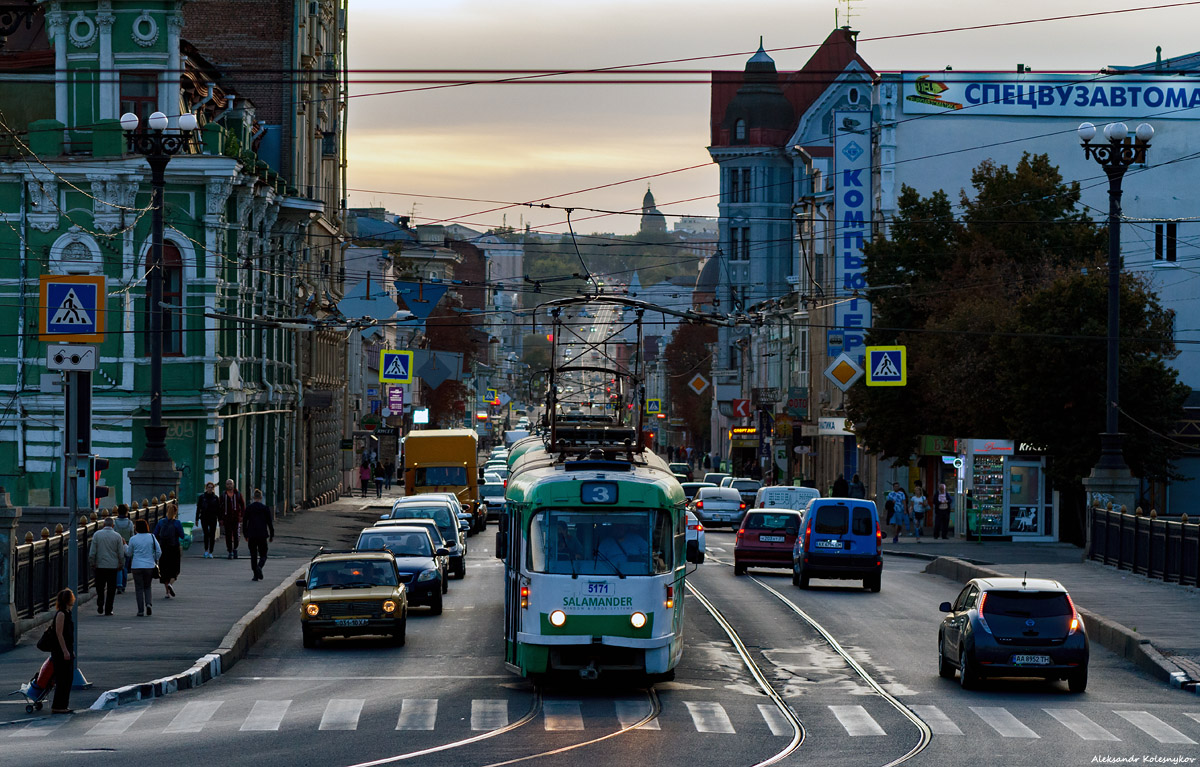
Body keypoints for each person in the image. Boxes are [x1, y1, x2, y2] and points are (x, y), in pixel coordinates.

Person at [87, 518, 125, 616]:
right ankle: (109, 609)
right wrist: (121, 563)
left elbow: (92, 552)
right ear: (113, 526)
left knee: (100, 587)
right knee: (111, 588)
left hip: (100, 565)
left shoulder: (97, 535)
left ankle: (100, 602)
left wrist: (92, 562)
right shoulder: (117, 536)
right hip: (112, 566)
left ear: (103, 525)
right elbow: (121, 553)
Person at [125, 519, 160, 617]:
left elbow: (128, 553)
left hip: (136, 566)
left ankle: (140, 610)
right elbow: (159, 551)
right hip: (149, 565)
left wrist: (124, 545)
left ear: (136, 528)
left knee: (139, 588)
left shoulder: (133, 539)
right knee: (148, 586)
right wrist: (154, 559)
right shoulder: (152, 537)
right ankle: (148, 604)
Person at [49, 588, 75, 714]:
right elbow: (59, 634)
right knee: (62, 679)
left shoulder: (67, 613)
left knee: (67, 678)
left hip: (66, 649)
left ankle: (63, 705)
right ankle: (58, 705)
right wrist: (65, 651)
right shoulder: (61, 614)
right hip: (60, 651)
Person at [243, 489, 275, 581]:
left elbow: (245, 521)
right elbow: (269, 522)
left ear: (253, 497)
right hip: (262, 534)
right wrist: (271, 534)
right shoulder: (265, 508)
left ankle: (255, 575)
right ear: (261, 497)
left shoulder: (249, 508)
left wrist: (245, 534)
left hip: (252, 535)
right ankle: (259, 566)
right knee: (263, 554)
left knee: (253, 554)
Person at [154, 506, 185, 598]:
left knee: (164, 570)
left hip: (163, 548)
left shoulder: (161, 522)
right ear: (175, 512)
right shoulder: (177, 523)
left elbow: (155, 534)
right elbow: (182, 536)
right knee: (175, 569)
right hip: (174, 548)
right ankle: (171, 584)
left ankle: (167, 592)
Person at [112, 505, 134, 594]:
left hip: (117, 546)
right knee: (125, 566)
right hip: (126, 545)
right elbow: (132, 535)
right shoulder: (130, 523)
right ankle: (123, 585)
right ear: (126, 512)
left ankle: (118, 584)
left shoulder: (115, 522)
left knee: (117, 566)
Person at [197, 481, 222, 559]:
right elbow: (198, 508)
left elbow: (218, 509)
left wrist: (219, 519)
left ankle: (211, 551)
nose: (210, 489)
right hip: (204, 517)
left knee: (212, 535)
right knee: (206, 534)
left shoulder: (215, 498)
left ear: (213, 489)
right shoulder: (202, 497)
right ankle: (206, 550)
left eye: (212, 487)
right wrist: (196, 519)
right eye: (209, 487)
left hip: (213, 517)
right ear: (206, 488)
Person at [221, 479, 245, 559]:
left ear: (233, 484)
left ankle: (235, 548)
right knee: (228, 535)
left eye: (230, 484)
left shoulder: (237, 494)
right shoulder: (223, 495)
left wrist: (242, 516)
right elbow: (220, 507)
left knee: (236, 535)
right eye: (228, 484)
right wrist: (220, 518)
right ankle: (230, 551)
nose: (229, 485)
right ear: (226, 485)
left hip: (236, 518)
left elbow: (242, 505)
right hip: (227, 519)